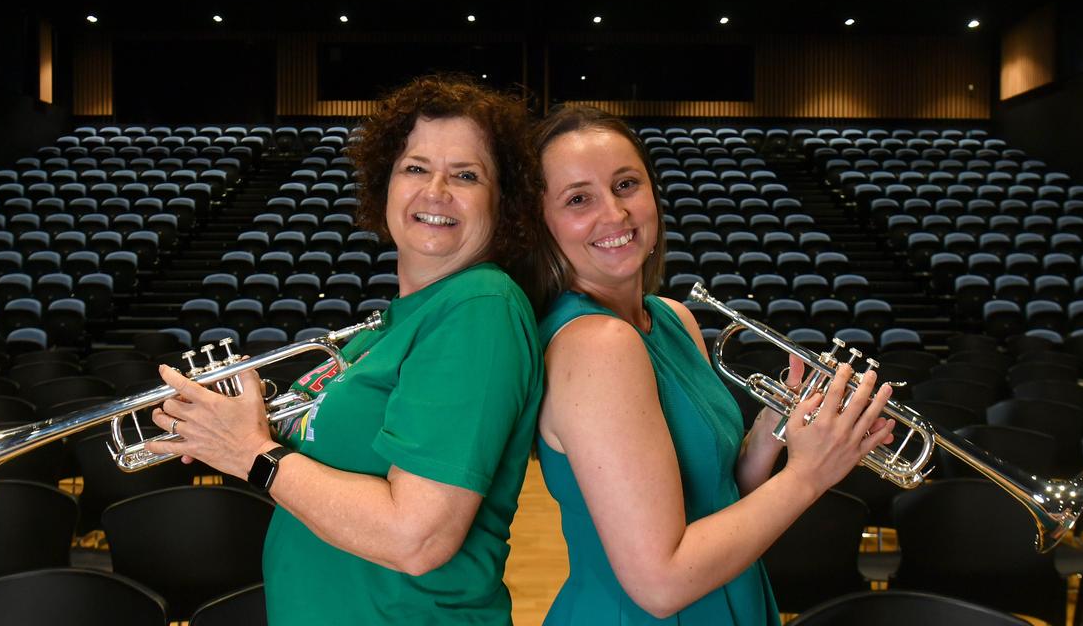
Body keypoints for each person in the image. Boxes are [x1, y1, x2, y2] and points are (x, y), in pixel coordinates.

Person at [145, 75, 545, 625]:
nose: (436, 190)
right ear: (384, 186)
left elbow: (418, 537)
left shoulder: (480, 307)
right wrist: (245, 422)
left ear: (504, 203)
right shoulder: (383, 328)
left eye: (467, 175)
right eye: (415, 167)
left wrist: (250, 455)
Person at [527, 105, 896, 624]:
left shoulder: (671, 319)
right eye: (578, 199)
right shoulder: (595, 344)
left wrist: (773, 432)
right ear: (541, 223)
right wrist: (809, 476)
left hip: (728, 594)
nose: (614, 214)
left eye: (626, 184)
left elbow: (716, 498)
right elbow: (660, 582)